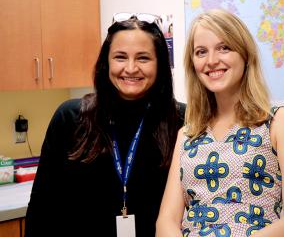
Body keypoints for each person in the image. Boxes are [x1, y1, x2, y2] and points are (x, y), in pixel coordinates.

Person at [25, 12, 185, 237]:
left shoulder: (182, 122)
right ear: (106, 62)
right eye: (120, 57)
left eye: (143, 58)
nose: (130, 68)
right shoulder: (70, 118)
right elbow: (42, 209)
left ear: (160, 64)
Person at [156, 9, 284, 237]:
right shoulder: (187, 134)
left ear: (245, 54)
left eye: (224, 48)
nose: (211, 61)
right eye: (201, 52)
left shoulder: (282, 122)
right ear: (193, 64)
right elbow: (165, 223)